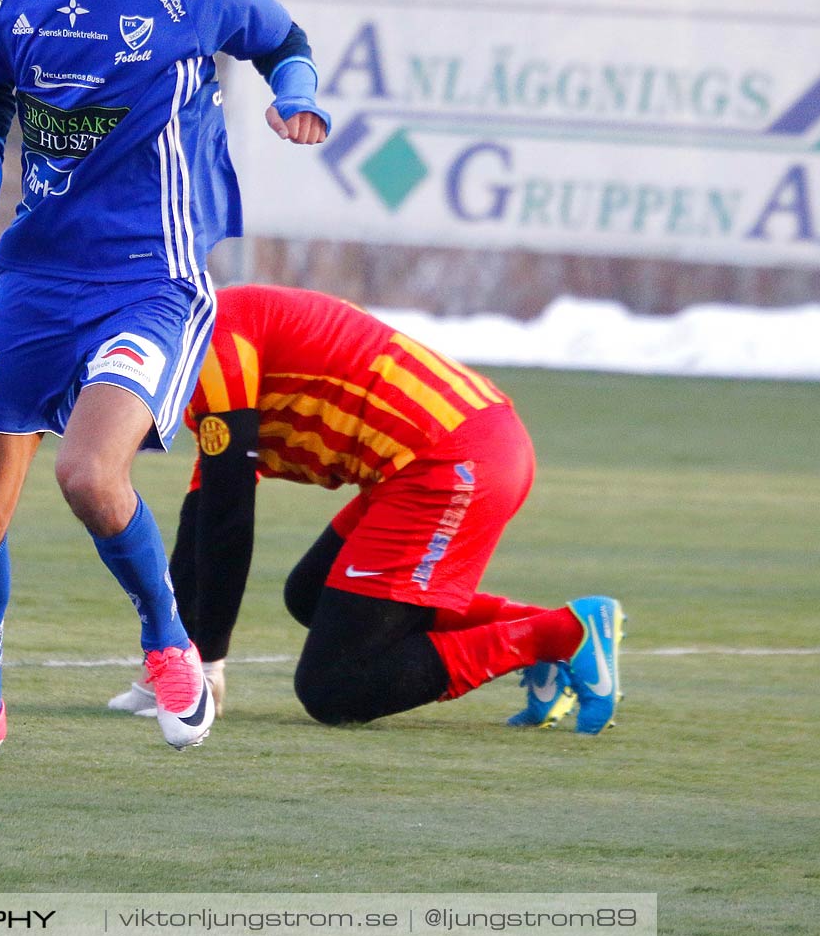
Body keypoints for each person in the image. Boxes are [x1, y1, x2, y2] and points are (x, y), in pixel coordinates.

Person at [0, 0, 331, 767]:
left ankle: (169, 641)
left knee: (85, 470)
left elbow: (283, 41)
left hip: (152, 273)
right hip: (34, 274)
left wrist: (296, 95)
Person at [105, 284, 625, 735]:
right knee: (311, 595)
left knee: (334, 686)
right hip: (447, 453)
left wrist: (208, 662)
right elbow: (201, 518)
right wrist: (172, 662)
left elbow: (228, 520)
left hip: (454, 461)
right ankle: (549, 629)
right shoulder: (200, 340)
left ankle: (561, 635)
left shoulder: (215, 349)